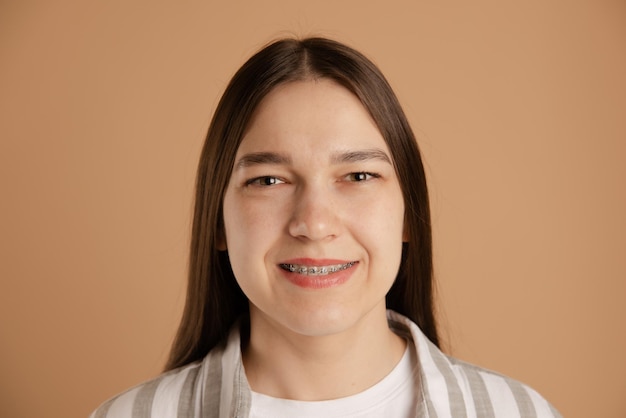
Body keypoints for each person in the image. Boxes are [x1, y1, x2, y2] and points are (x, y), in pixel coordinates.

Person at [90, 37, 561, 418]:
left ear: (408, 215)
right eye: (268, 180)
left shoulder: (519, 413)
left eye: (358, 177)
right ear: (218, 223)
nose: (314, 223)